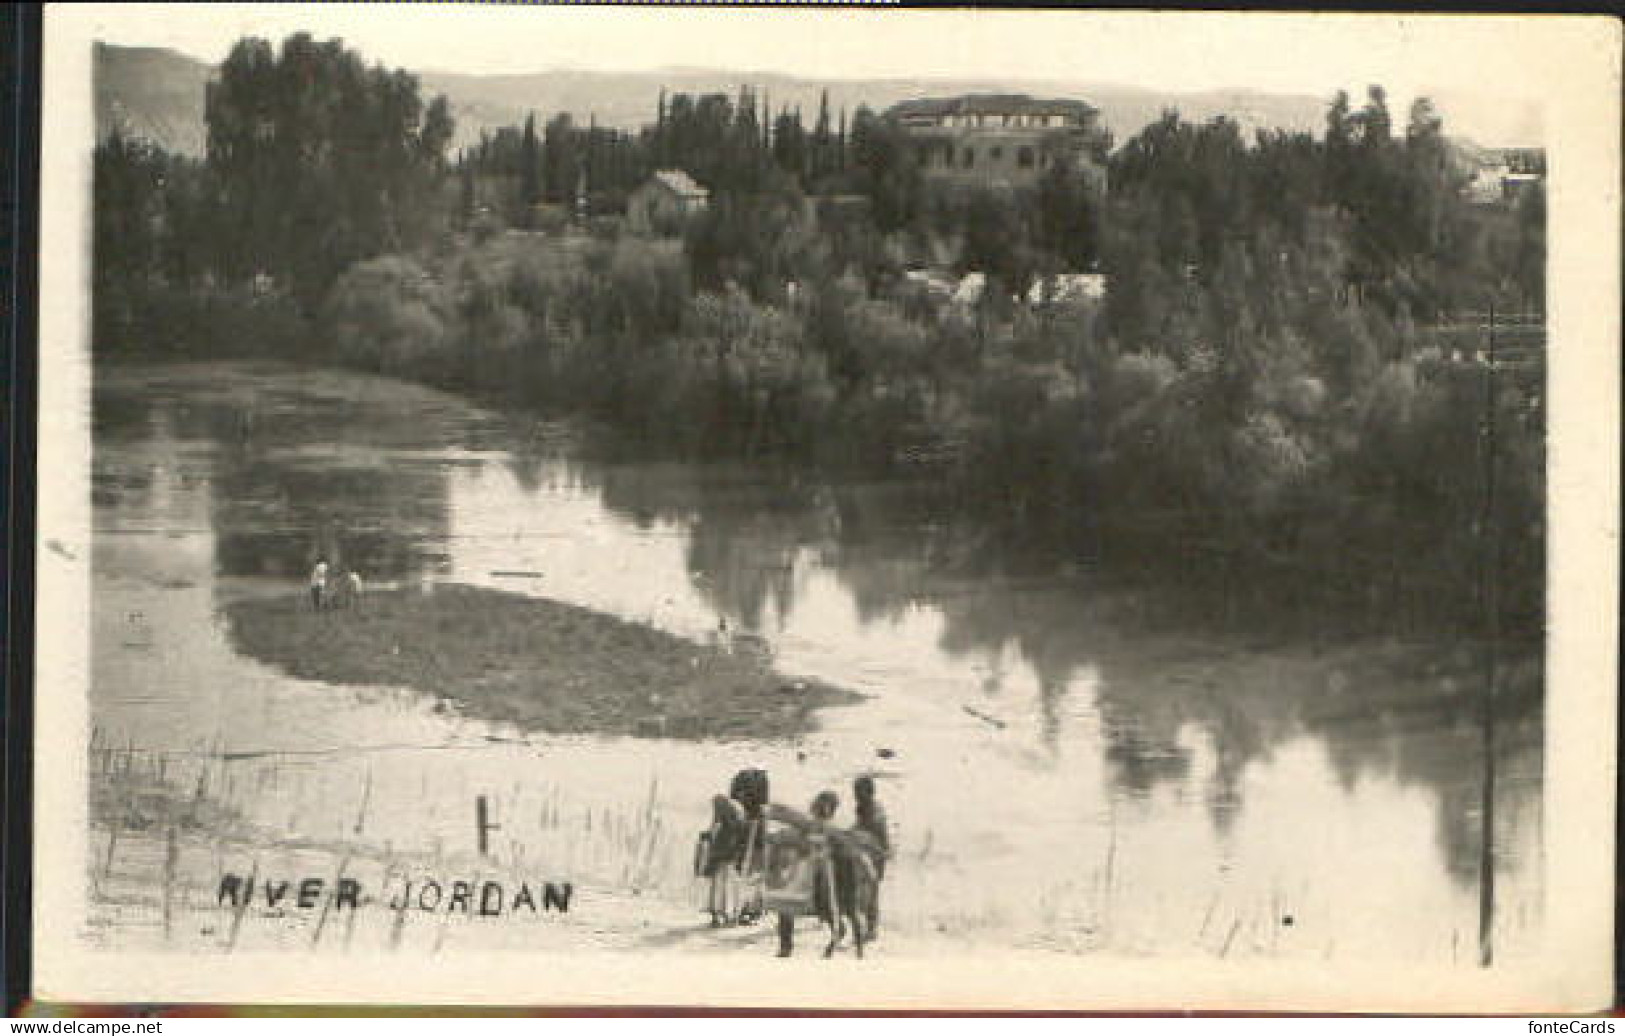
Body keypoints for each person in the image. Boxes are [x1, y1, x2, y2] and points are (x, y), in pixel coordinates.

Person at [852, 776, 890, 937]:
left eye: (859, 792)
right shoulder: (862, 807)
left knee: (872, 892)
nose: (856, 795)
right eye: (855, 792)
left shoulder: (876, 811)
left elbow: (879, 835)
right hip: (867, 853)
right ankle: (868, 925)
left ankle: (872, 927)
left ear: (869, 792)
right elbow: (859, 826)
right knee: (864, 891)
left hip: (876, 854)